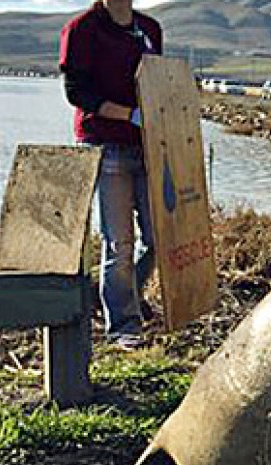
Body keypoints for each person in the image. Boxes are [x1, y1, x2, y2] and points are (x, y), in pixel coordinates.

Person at [59, 0, 162, 351]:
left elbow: (157, 82)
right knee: (119, 243)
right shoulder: (82, 29)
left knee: (159, 236)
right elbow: (77, 91)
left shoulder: (150, 29)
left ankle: (122, 296)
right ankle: (123, 325)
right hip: (105, 146)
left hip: (149, 146)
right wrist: (127, 115)